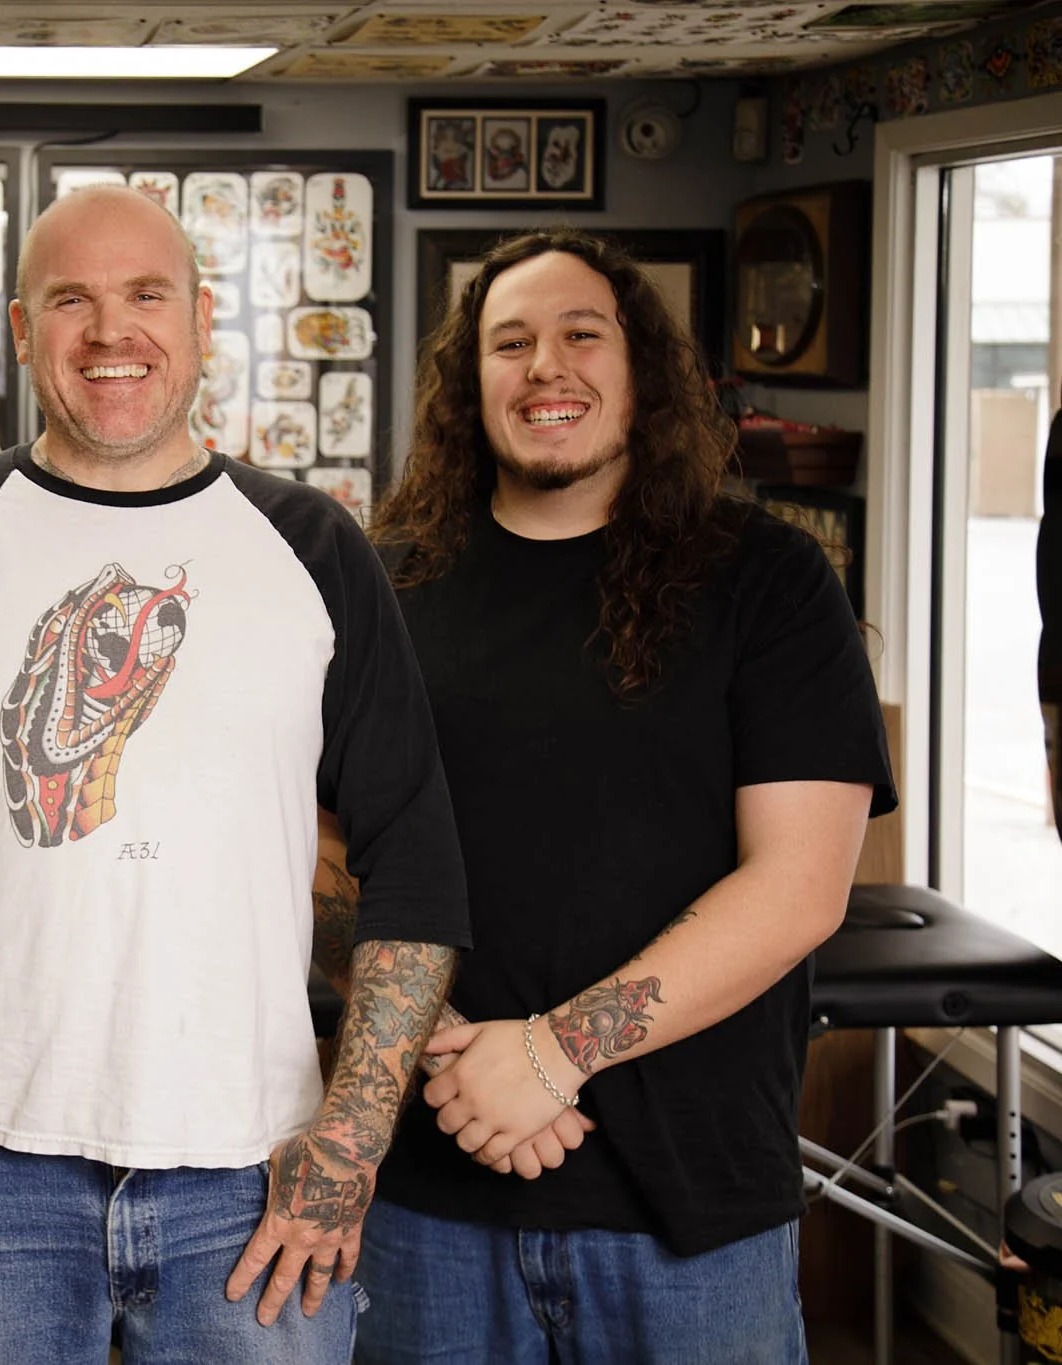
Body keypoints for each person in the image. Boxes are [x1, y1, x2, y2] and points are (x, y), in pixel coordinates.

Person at [0, 183, 471, 1363]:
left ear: (198, 319)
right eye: (68, 300)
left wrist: (346, 1146)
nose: (108, 331)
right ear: (21, 329)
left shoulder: (312, 548)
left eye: (144, 294)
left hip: (249, 1177)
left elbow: (415, 866)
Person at [351, 229, 896, 1363]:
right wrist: (440, 1048)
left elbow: (799, 886)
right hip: (427, 1197)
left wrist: (551, 1055)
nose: (545, 366)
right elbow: (315, 849)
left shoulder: (769, 580)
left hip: (691, 1211)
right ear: (470, 382)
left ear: (641, 368)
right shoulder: (386, 582)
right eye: (509, 342)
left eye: (580, 334)